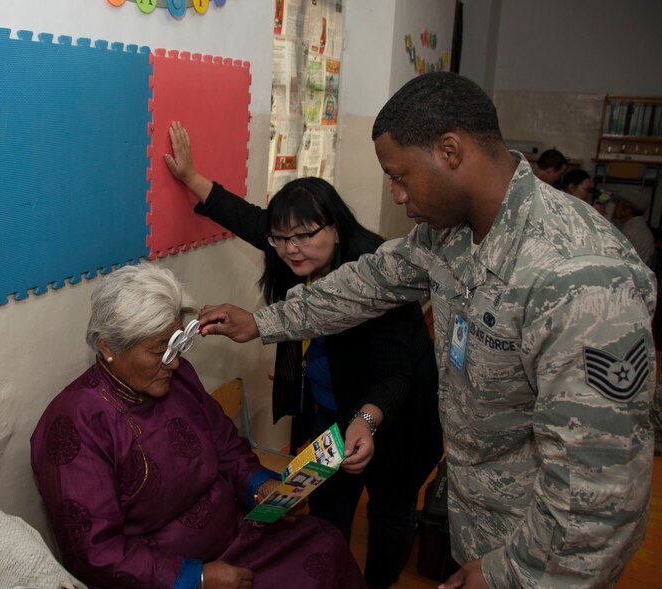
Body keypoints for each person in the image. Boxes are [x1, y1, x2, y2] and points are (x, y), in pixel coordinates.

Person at [196, 72, 656, 589]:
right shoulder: (449, 234)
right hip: (477, 518)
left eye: (400, 175)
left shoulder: (579, 278)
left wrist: (512, 572)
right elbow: (364, 283)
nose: (394, 194)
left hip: (544, 560)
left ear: (451, 151)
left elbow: (598, 489)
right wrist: (261, 322)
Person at [164, 122, 443, 589]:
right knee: (326, 503)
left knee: (390, 512)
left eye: (303, 237)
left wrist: (367, 421)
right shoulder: (291, 251)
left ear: (335, 228)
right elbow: (250, 219)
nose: (290, 250)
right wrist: (192, 178)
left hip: (395, 419)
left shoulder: (378, 272)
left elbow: (395, 374)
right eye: (280, 239)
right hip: (330, 412)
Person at [30, 264, 366, 589]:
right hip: (166, 573)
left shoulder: (177, 376)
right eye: (160, 349)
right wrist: (196, 578)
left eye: (176, 344)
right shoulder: (75, 424)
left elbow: (227, 446)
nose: (174, 361)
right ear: (108, 348)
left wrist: (259, 487)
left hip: (236, 533)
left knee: (325, 542)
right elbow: (95, 552)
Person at [612, 186, 655, 267]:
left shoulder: (631, 231)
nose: (615, 208)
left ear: (628, 210)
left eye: (618, 204)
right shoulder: (636, 225)